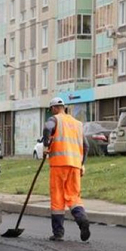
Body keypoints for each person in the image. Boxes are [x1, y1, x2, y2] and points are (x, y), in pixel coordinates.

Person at [42, 97, 91, 242]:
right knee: (74, 197)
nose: (52, 112)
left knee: (58, 198)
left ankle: (58, 233)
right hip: (75, 165)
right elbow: (86, 146)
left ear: (55, 108)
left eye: (52, 109)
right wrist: (82, 163)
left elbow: (47, 128)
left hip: (58, 165)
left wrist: (46, 145)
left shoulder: (55, 119)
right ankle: (82, 219)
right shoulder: (77, 124)